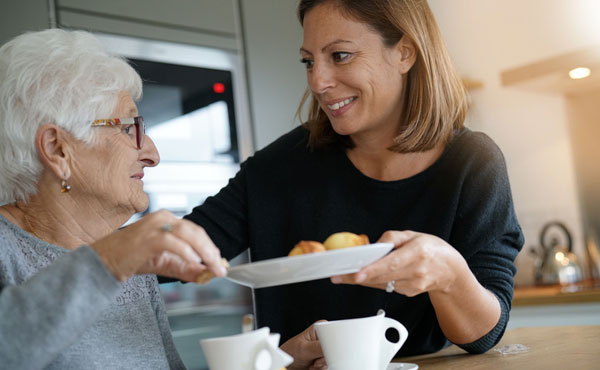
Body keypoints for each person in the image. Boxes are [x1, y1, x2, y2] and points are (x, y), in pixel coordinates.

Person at [185, 0, 524, 368]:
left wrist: (449, 275)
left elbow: (483, 334)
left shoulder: (472, 163)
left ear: (405, 53)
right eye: (308, 61)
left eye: (341, 55)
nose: (318, 81)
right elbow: (168, 257)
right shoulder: (275, 169)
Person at [0, 29, 227, 370]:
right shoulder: (115, 255)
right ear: (57, 149)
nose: (152, 154)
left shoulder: (125, 256)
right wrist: (113, 259)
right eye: (127, 129)